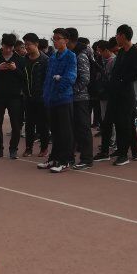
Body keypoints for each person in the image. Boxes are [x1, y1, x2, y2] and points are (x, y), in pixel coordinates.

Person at [38, 28, 77, 172]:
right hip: (51, 99)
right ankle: (54, 158)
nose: (54, 41)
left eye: (57, 38)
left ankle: (66, 160)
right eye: (53, 38)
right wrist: (46, 94)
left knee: (65, 131)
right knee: (54, 131)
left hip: (64, 99)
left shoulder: (71, 56)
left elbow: (71, 77)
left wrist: (59, 87)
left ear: (66, 40)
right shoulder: (53, 57)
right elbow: (48, 78)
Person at [105, 25, 137, 167]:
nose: (116, 37)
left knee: (125, 124)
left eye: (117, 35)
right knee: (114, 122)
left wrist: (122, 80)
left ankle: (124, 154)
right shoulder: (121, 52)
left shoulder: (136, 53)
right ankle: (117, 150)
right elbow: (116, 71)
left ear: (123, 36)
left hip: (127, 94)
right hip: (115, 93)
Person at [0, 33, 26, 159]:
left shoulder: (20, 59)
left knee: (16, 124)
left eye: (11, 47)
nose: (8, 50)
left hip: (15, 96)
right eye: (6, 47)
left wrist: (15, 69)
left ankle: (13, 149)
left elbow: (24, 78)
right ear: (2, 45)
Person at [67, 28, 94, 170]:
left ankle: (87, 159)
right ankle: (69, 157)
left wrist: (71, 91)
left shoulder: (81, 56)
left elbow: (85, 79)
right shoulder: (69, 54)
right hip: (70, 98)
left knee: (83, 128)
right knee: (70, 128)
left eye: (59, 38)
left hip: (80, 98)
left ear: (68, 39)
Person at [22, 33, 49, 157]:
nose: (26, 47)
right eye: (25, 44)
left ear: (36, 44)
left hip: (42, 98)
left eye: (28, 44)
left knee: (42, 125)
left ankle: (44, 148)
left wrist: (44, 94)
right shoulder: (24, 60)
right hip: (28, 97)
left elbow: (48, 80)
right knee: (29, 124)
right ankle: (28, 148)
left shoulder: (45, 60)